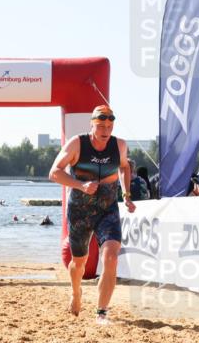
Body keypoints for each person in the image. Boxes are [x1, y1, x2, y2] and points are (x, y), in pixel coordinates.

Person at [49, 105, 135, 324]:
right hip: (80, 208)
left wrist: (126, 194)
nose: (105, 130)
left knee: (111, 257)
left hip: (108, 207)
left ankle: (102, 311)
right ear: (92, 124)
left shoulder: (119, 145)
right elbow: (54, 172)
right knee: (79, 262)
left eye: (109, 126)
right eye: (100, 126)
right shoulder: (77, 143)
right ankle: (76, 292)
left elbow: (125, 167)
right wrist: (80, 184)